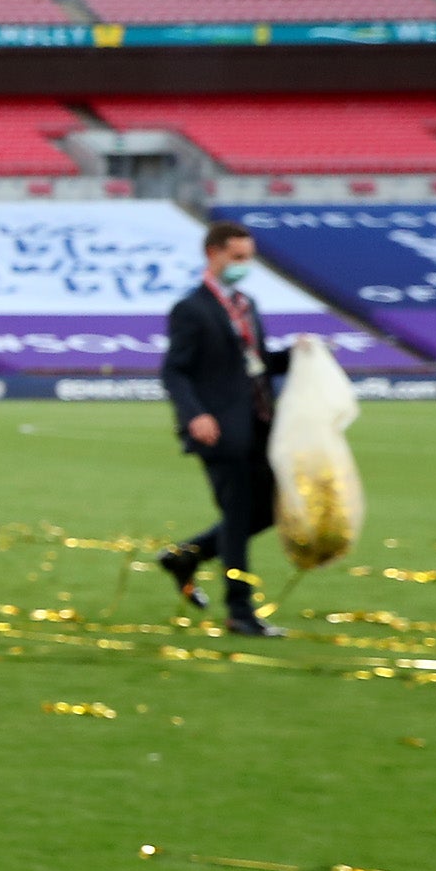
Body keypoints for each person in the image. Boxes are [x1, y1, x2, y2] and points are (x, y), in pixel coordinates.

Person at [158, 219, 291, 638]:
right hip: (218, 430)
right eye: (237, 258)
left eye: (248, 258)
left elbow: (259, 363)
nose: (243, 265)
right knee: (236, 516)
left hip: (260, 426)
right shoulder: (192, 309)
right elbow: (174, 371)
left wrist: (301, 353)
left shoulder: (247, 305)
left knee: (270, 510)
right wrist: (195, 414)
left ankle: (187, 556)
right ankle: (239, 611)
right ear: (213, 254)